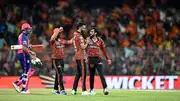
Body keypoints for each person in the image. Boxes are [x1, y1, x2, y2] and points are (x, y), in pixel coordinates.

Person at [12, 23, 36, 94]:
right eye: (28, 29)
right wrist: (30, 54)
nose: (30, 30)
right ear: (25, 29)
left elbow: (25, 47)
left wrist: (30, 49)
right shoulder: (24, 36)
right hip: (24, 54)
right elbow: (24, 48)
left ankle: (18, 84)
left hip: (22, 54)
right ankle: (23, 89)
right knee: (27, 72)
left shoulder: (22, 36)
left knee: (29, 71)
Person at [87, 27, 111, 95]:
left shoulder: (100, 40)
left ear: (95, 33)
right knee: (91, 75)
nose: (90, 33)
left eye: (92, 32)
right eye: (90, 31)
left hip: (98, 59)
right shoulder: (88, 39)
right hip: (90, 59)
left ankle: (105, 89)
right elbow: (83, 48)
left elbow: (104, 50)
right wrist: (85, 57)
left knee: (101, 74)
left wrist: (108, 59)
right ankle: (91, 89)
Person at [50, 27, 72, 95]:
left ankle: (55, 89)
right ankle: (62, 90)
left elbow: (69, 42)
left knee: (58, 75)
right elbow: (52, 38)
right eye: (60, 33)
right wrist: (57, 31)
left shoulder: (62, 40)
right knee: (60, 74)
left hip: (62, 60)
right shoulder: (53, 41)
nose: (61, 34)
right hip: (55, 60)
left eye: (61, 33)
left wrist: (75, 37)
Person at [71, 22, 91, 95]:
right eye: (84, 27)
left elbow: (73, 42)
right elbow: (83, 47)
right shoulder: (80, 36)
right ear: (80, 27)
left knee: (78, 73)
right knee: (83, 73)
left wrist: (76, 48)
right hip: (81, 57)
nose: (85, 29)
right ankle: (84, 90)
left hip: (77, 56)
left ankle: (74, 89)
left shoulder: (75, 35)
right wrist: (87, 42)